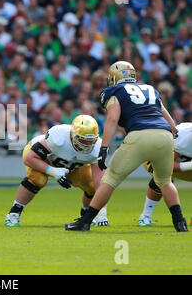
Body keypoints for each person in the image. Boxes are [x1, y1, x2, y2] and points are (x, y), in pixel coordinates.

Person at [65, 61, 188, 232]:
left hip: (139, 134)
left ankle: (85, 222)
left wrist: (104, 147)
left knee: (110, 179)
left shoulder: (114, 91)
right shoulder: (150, 89)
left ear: (114, 78)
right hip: (165, 136)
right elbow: (170, 122)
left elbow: (113, 118)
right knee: (165, 181)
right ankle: (180, 223)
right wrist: (171, 136)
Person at [5, 115, 108, 227]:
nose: (87, 145)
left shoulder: (98, 147)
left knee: (91, 184)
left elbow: (100, 183)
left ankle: (85, 216)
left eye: (90, 141)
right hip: (42, 159)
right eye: (83, 140)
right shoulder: (59, 136)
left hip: (70, 166)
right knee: (38, 180)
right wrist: (53, 171)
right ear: (73, 135)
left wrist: (101, 212)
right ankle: (14, 213)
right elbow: (30, 158)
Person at [138, 122, 192, 226]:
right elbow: (167, 165)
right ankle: (145, 217)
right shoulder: (182, 139)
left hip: (180, 161)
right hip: (155, 155)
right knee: (163, 177)